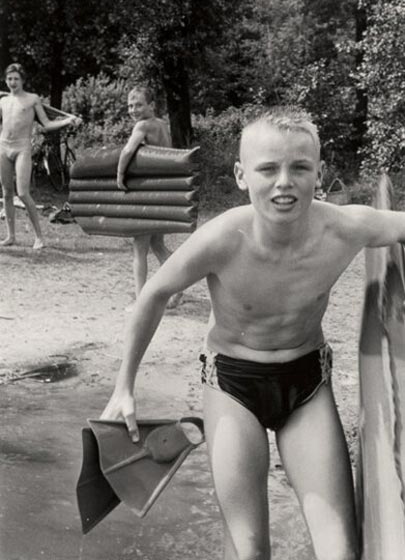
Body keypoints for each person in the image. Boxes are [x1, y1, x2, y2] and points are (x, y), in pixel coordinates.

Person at [101, 106, 405, 560]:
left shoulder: (344, 228)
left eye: (300, 167)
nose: (284, 182)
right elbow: (153, 294)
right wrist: (124, 387)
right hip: (231, 386)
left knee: (339, 550)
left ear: (319, 174)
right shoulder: (223, 238)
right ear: (243, 176)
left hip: (307, 386)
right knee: (249, 550)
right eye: (268, 169)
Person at [0, 63, 80, 249]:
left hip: (22, 149)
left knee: (23, 193)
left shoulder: (32, 99)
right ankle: (11, 236)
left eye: (16, 79)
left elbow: (46, 123)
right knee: (6, 193)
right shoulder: (3, 101)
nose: (13, 82)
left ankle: (39, 237)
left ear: (23, 80)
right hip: (3, 148)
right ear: (6, 80)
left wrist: (67, 120)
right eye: (9, 79)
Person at [116, 84, 181, 308]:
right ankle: (179, 284)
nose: (133, 109)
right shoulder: (162, 125)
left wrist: (120, 174)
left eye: (139, 104)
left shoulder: (143, 126)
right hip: (164, 191)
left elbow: (127, 151)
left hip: (149, 193)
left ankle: (141, 301)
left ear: (151, 105)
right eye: (130, 105)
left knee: (139, 247)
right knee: (157, 245)